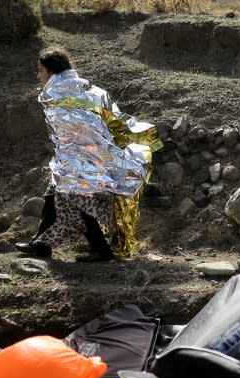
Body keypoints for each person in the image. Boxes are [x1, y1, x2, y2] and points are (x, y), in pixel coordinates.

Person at [15, 46, 161, 262]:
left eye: (40, 71)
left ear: (51, 71)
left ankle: (101, 249)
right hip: (74, 158)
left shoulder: (57, 92)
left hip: (81, 160)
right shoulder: (85, 88)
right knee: (52, 195)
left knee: (78, 199)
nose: (38, 76)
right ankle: (41, 244)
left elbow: (75, 130)